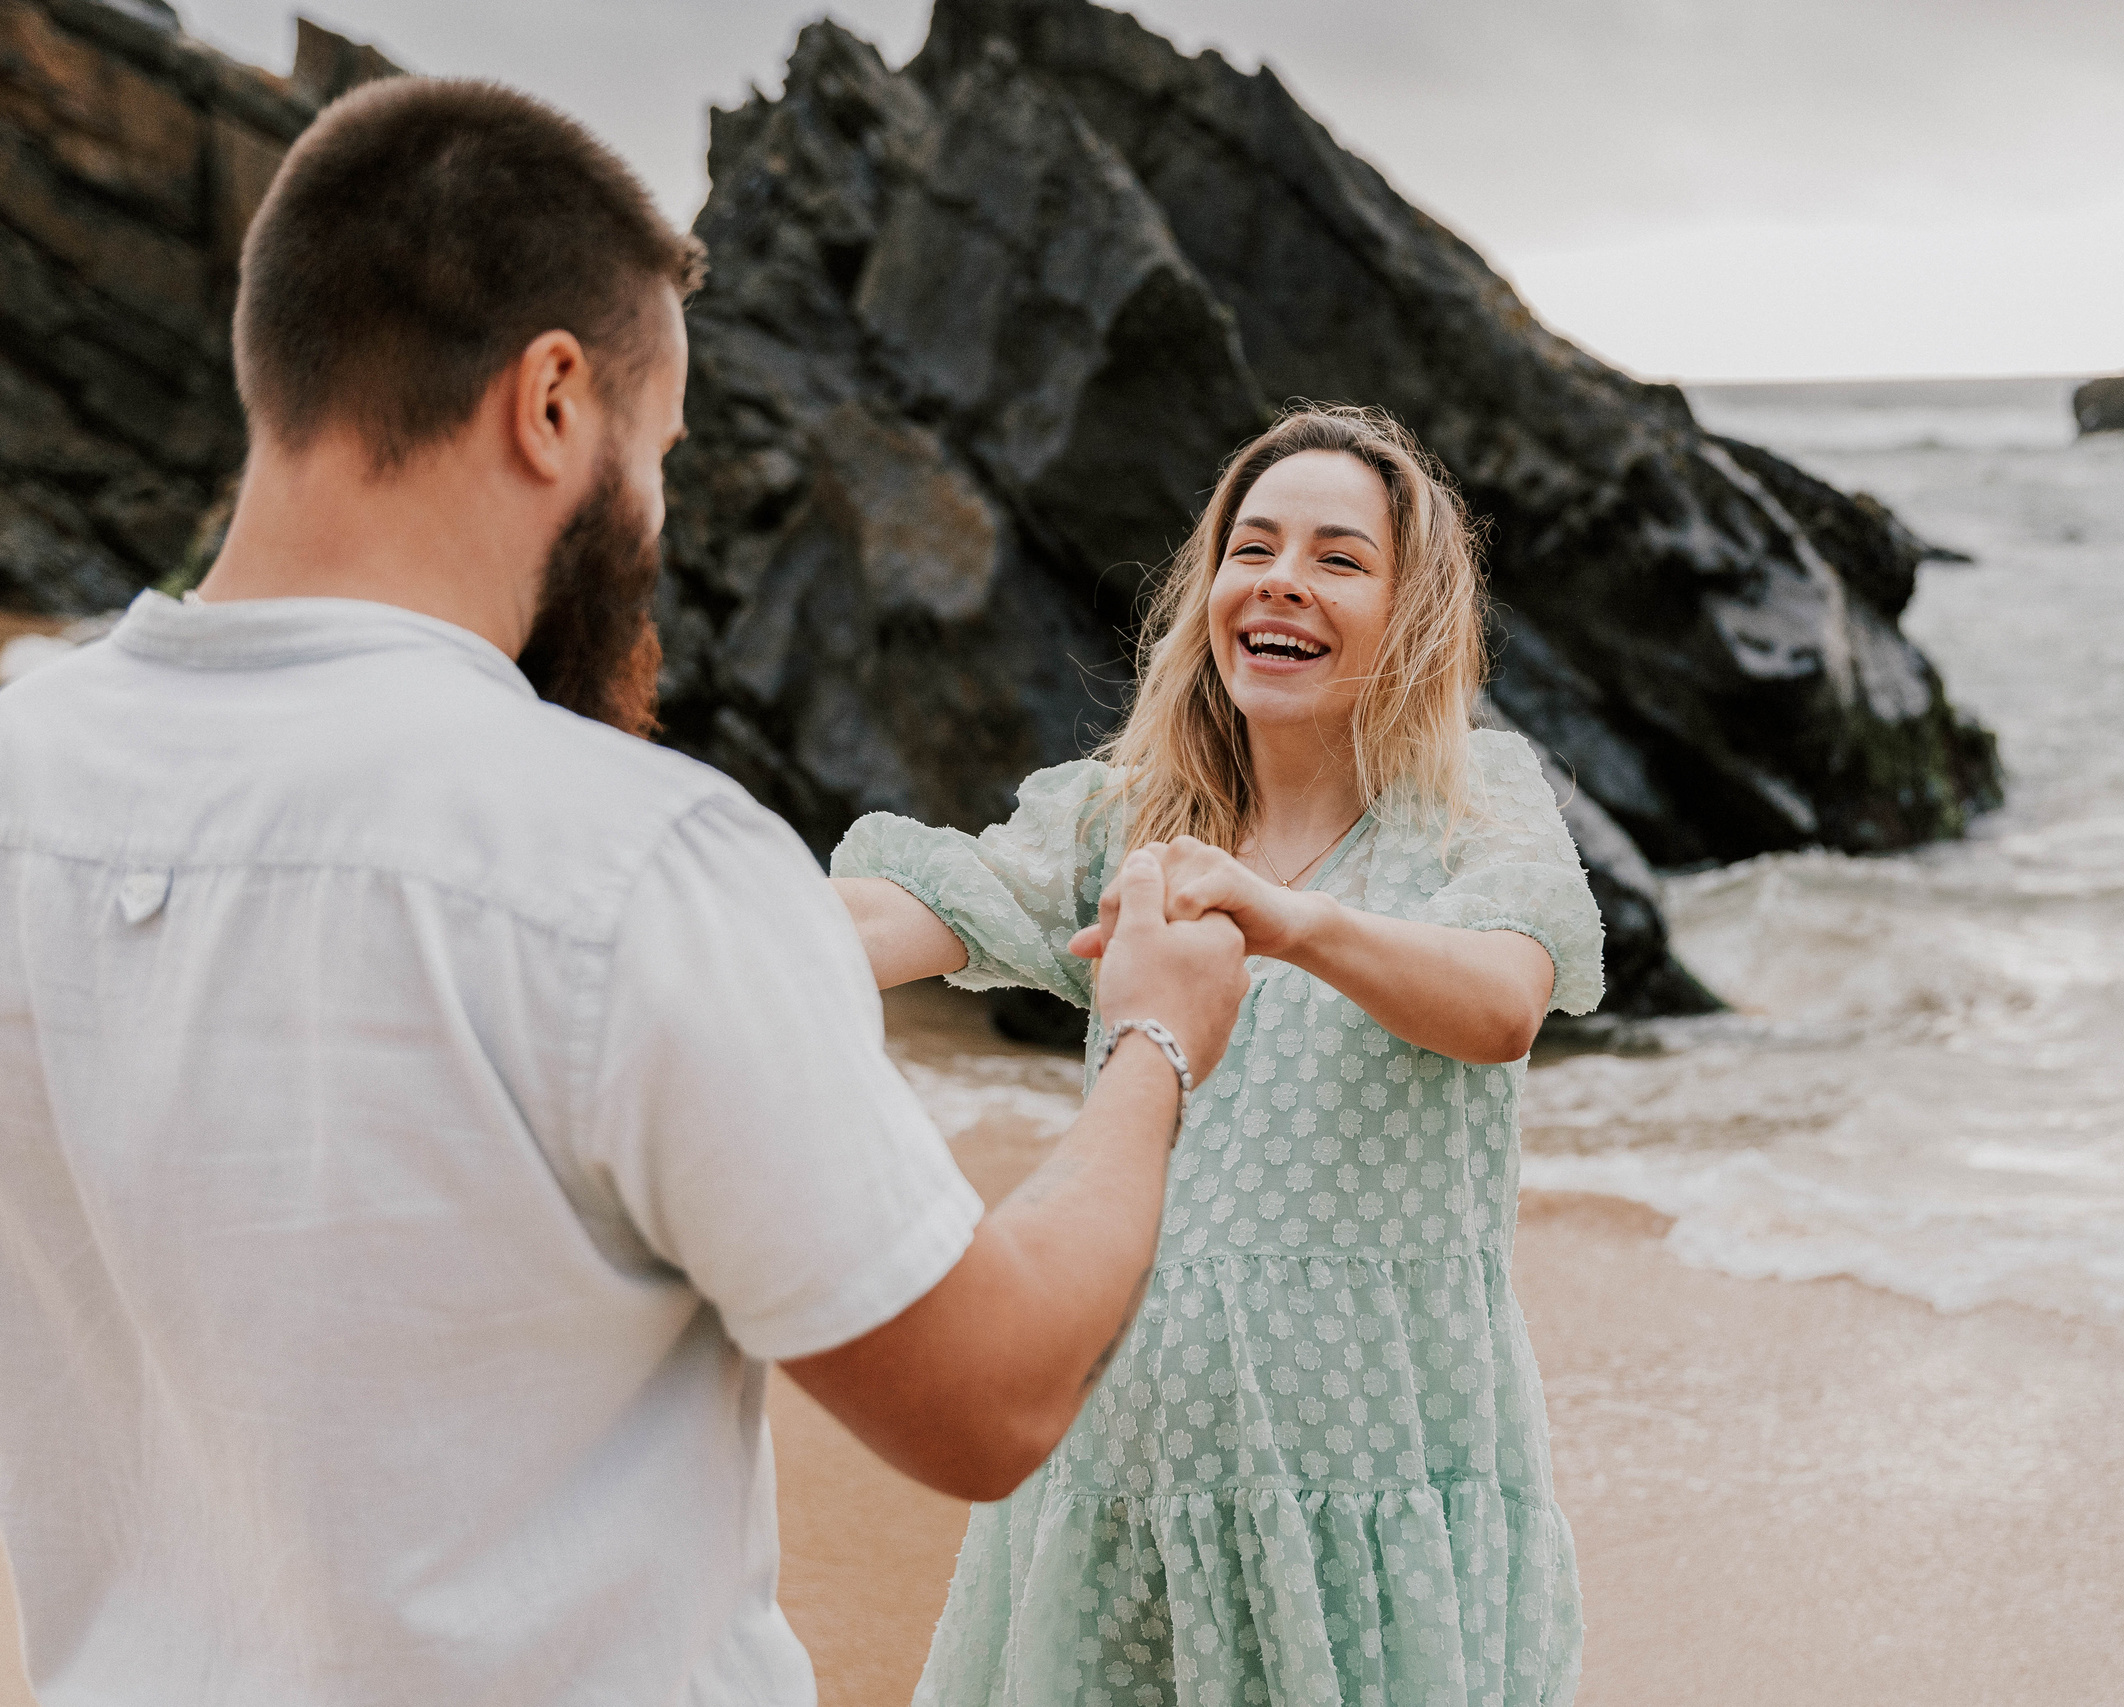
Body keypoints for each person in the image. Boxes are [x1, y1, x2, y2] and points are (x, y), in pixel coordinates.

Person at [0, 77, 1246, 1706]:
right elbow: (991, 1394)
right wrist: (1155, 1042)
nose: (653, 519)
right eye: (658, 452)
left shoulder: (26, 767)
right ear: (552, 402)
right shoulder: (629, 855)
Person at [834, 406, 1605, 1706]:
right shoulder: (1125, 821)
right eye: (1254, 547)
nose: (1283, 579)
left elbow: (1504, 1001)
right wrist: (676, 935)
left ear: (1410, 612)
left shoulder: (1478, 806)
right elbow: (909, 908)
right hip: (1122, 1484)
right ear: (1211, 594)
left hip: (1364, 1495)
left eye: (1339, 557)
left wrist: (1291, 922)